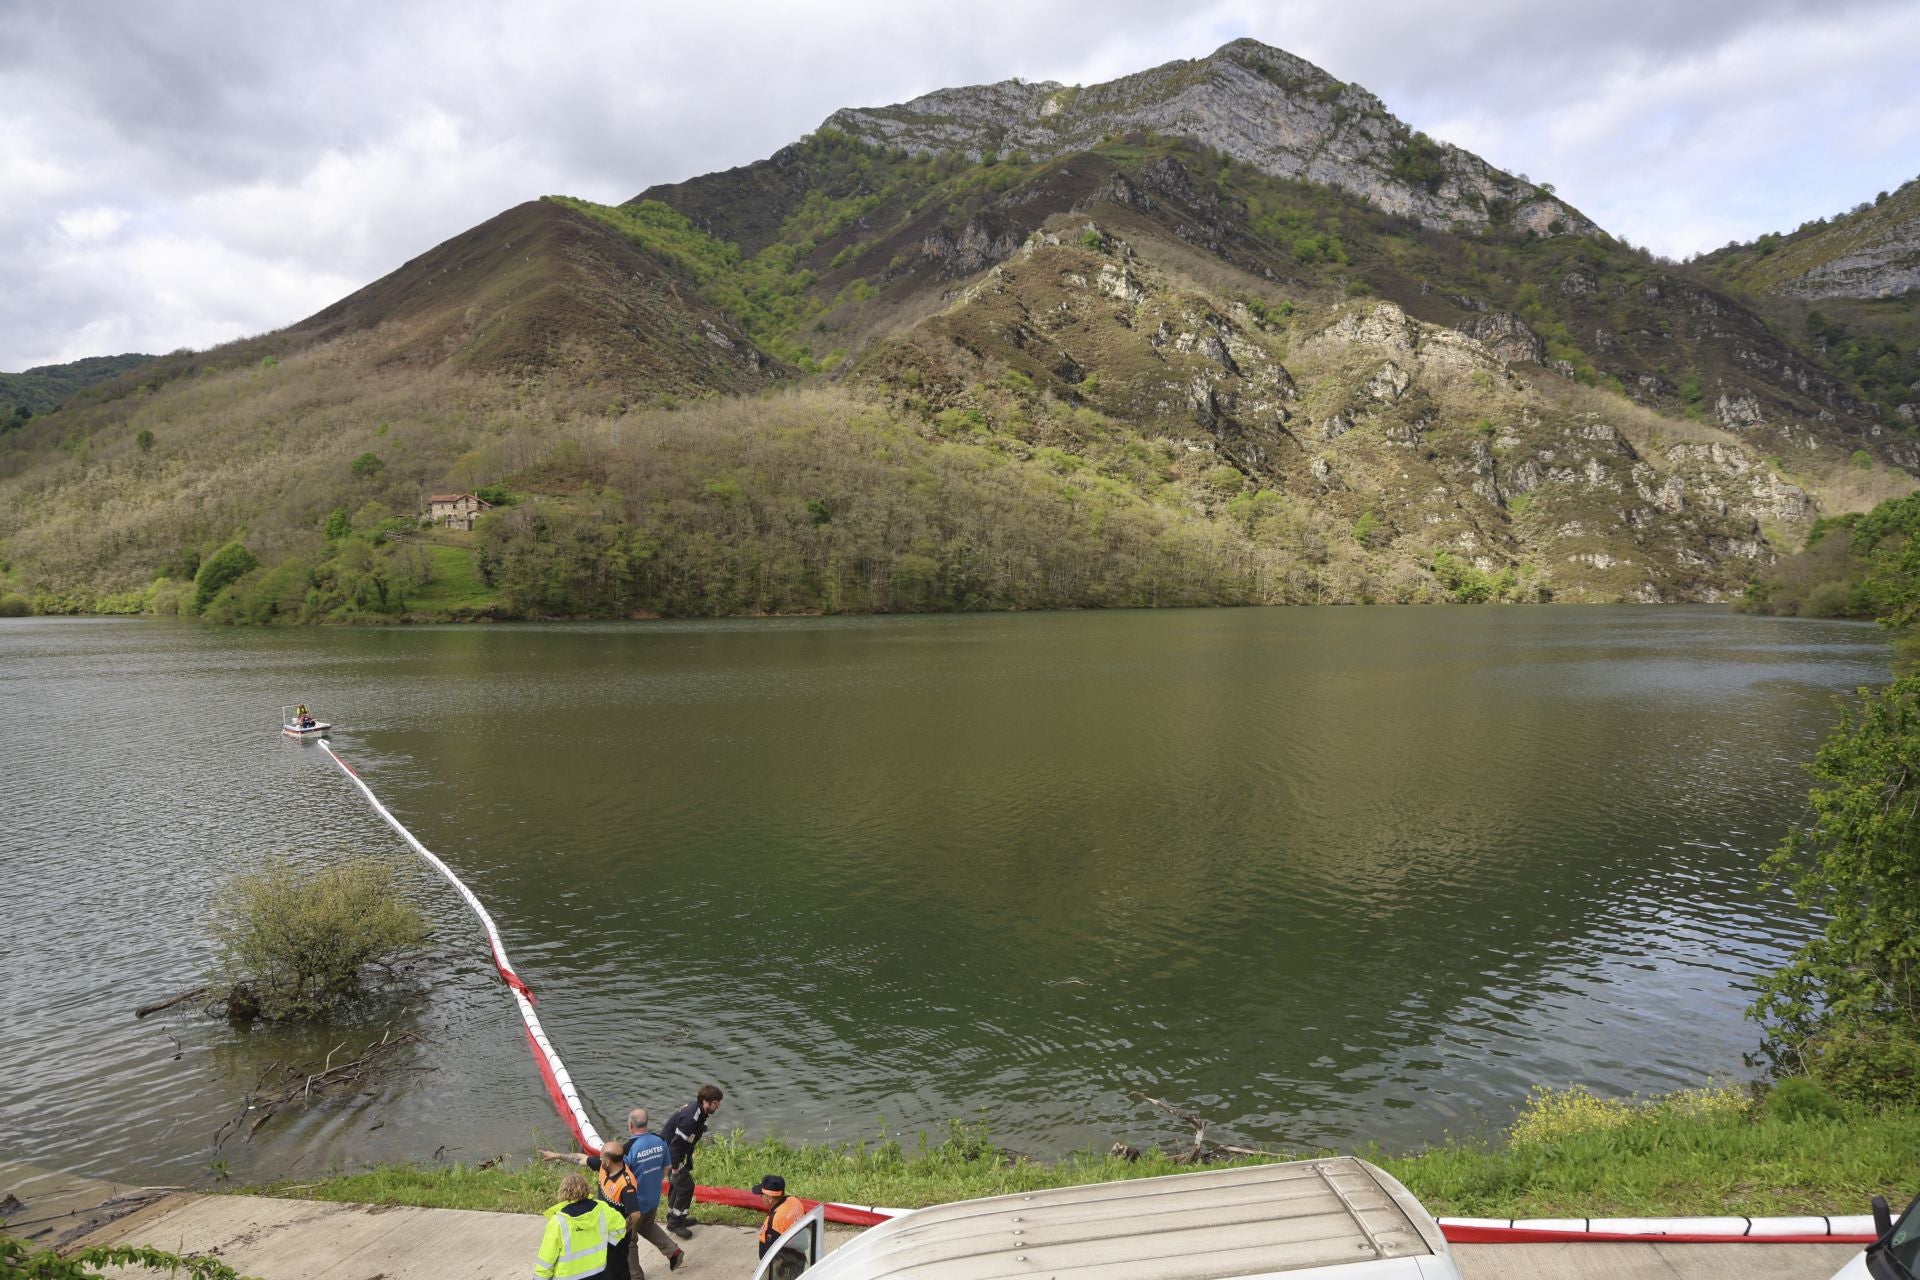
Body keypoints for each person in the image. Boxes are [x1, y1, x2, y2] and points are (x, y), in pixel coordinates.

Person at [532, 1170, 627, 1280]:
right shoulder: (602, 1209)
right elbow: (621, 1227)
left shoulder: (558, 1221)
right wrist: (608, 1241)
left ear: (562, 1192)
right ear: (586, 1188)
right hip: (599, 1274)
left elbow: (545, 1262)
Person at [622, 1107, 684, 1271]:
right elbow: (667, 1168)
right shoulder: (659, 1140)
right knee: (647, 1226)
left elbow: (622, 1179)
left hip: (635, 1204)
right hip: (653, 1197)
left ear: (630, 1125)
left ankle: (635, 1276)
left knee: (628, 1238)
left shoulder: (628, 1148)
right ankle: (673, 1252)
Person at [663, 1084, 723, 1239]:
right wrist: (675, 1169)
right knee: (686, 1185)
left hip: (675, 1152)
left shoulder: (699, 1111)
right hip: (669, 1154)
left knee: (678, 1186)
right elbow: (674, 1146)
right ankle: (675, 1223)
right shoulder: (691, 1118)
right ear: (705, 1101)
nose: (718, 1106)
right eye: (716, 1103)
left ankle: (674, 1217)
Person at [755, 1175, 806, 1260]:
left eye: (762, 1194)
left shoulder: (774, 1221)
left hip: (785, 1269)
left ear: (769, 1198)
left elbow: (771, 1258)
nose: (760, 1197)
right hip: (799, 1258)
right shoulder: (795, 1201)